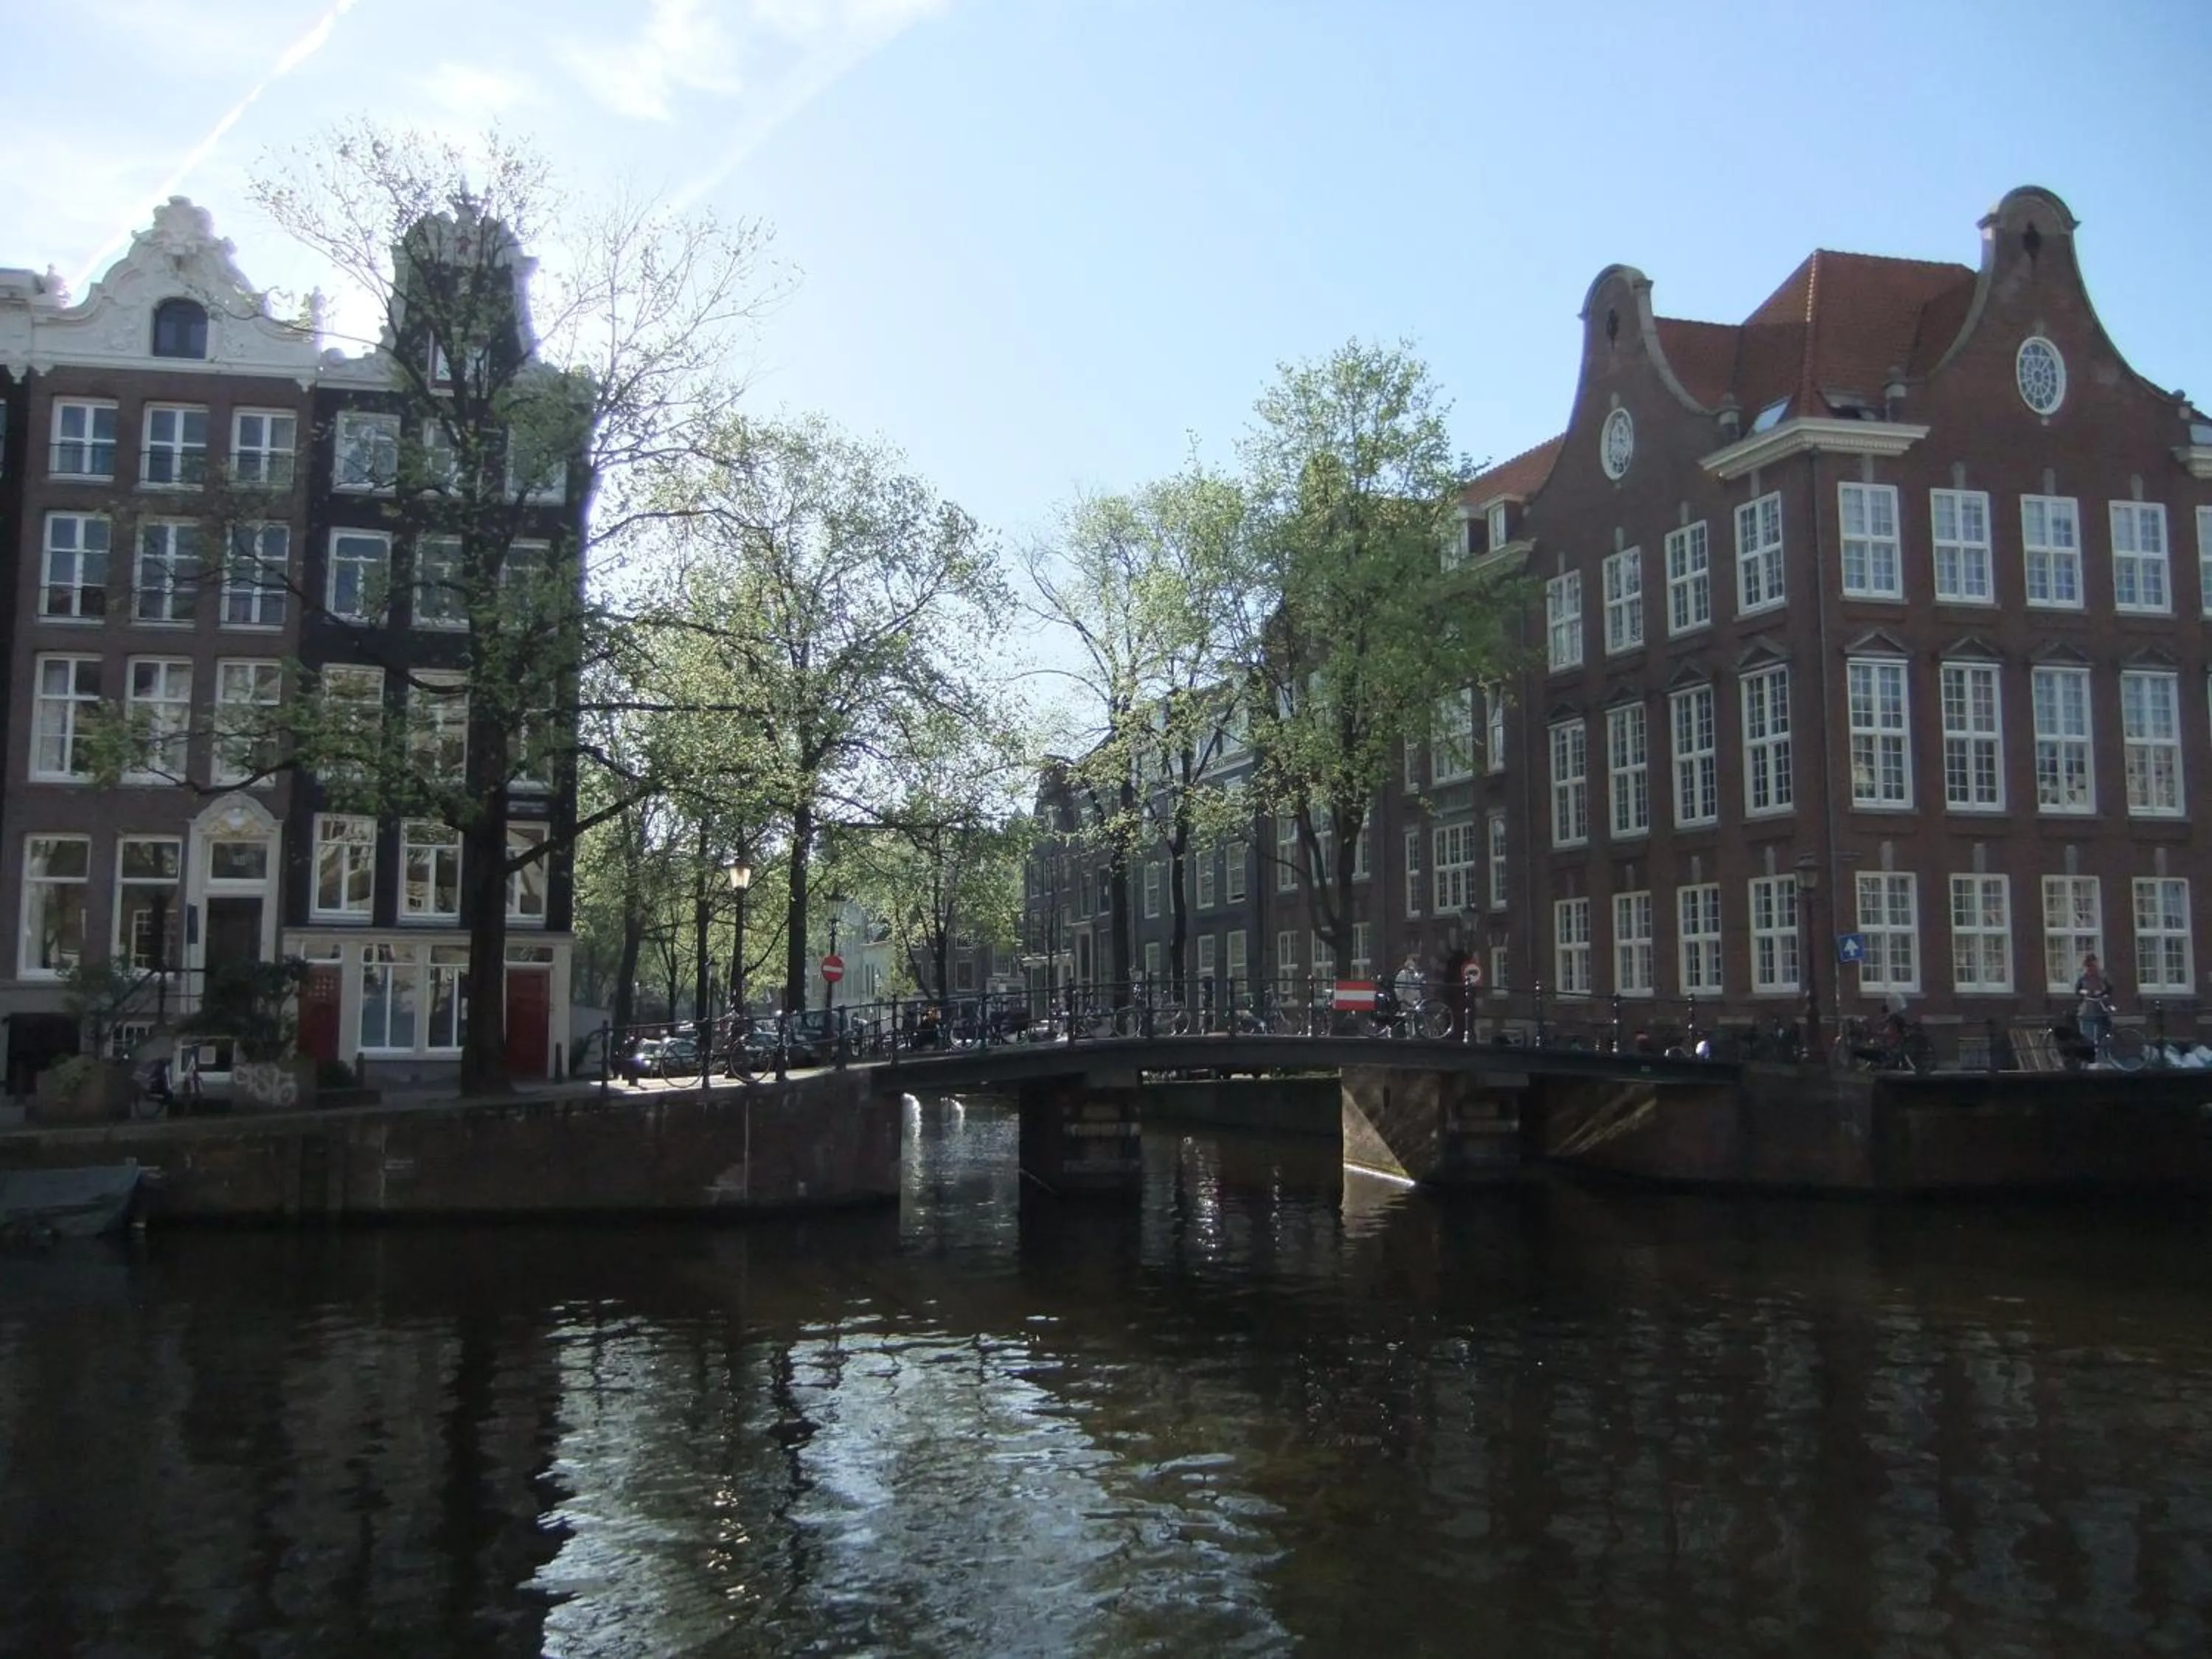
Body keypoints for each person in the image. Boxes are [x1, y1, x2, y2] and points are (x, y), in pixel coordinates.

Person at [2074, 953, 2115, 1056]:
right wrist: (2083, 992)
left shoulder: (2102, 975)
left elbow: (2110, 988)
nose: (2091, 968)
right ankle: (2091, 1056)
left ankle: (2103, 1053)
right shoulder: (2083, 976)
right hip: (2088, 1006)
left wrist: (2102, 993)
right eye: (2089, 965)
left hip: (2100, 1005)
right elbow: (2078, 989)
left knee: (2105, 1030)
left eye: (2093, 965)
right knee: (2088, 1033)